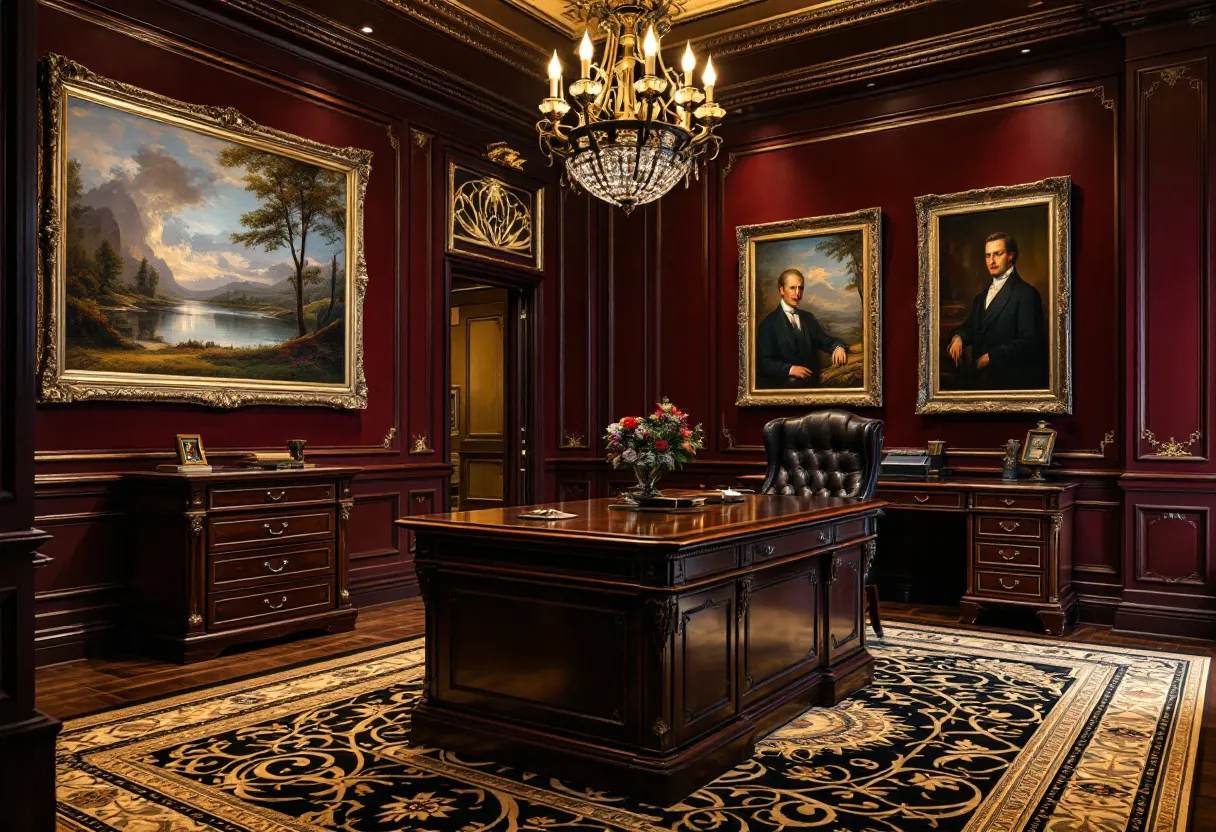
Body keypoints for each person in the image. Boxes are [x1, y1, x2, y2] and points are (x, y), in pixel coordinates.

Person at [947, 232, 1047, 390]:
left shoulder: (1026, 294)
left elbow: (1030, 342)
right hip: (979, 383)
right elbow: (972, 328)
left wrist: (992, 357)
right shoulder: (981, 298)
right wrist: (959, 337)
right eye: (987, 255)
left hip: (1009, 383)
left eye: (997, 254)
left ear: (1011, 255)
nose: (991, 261)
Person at [756, 268, 848, 389]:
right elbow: (764, 363)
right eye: (792, 288)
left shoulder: (808, 318)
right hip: (782, 390)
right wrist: (790, 369)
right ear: (782, 290)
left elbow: (825, 340)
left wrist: (838, 346)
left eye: (801, 288)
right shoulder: (768, 323)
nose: (798, 293)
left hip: (811, 386)